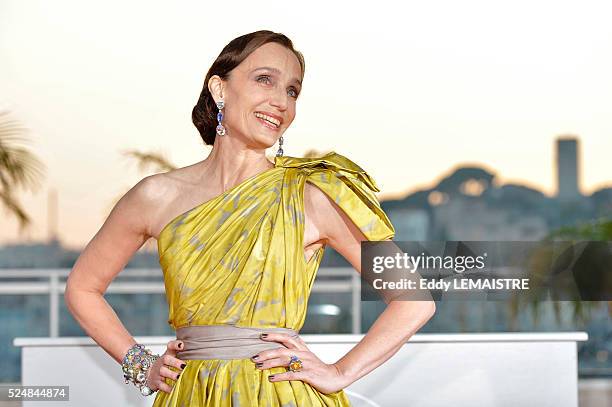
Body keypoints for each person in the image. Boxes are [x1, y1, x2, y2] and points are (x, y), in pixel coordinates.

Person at [65, 29, 436, 406]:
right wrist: (140, 364)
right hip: (191, 395)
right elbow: (82, 288)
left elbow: (414, 298)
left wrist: (339, 372)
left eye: (292, 91)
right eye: (265, 80)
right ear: (219, 88)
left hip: (280, 394)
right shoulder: (155, 196)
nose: (281, 102)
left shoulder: (311, 194)